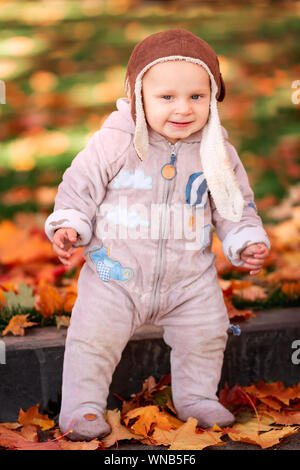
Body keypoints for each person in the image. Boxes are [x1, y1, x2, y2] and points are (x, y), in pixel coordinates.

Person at [45, 28, 270, 441]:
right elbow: (79, 187)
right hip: (115, 275)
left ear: (213, 98)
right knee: (92, 337)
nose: (183, 108)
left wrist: (245, 241)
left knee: (207, 332)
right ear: (137, 96)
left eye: (197, 97)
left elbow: (235, 207)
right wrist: (69, 224)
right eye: (167, 97)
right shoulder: (112, 143)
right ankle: (82, 407)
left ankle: (197, 396)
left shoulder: (216, 151)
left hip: (189, 278)